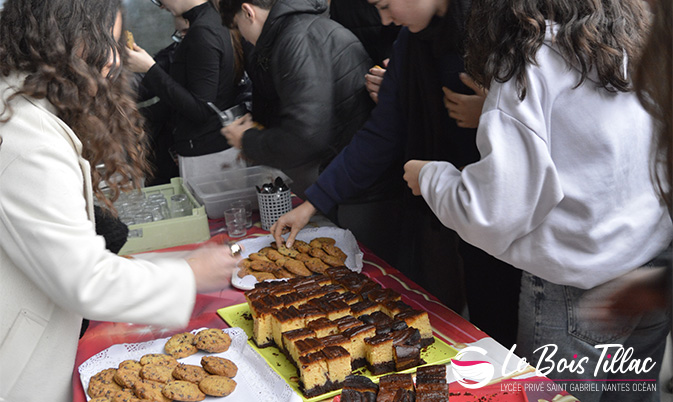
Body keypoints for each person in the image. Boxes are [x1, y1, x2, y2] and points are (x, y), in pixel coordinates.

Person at [402, 0, 672, 399]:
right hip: (648, 271)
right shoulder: (633, 36)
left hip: (577, 291)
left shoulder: (530, 59)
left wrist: (430, 177)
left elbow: (493, 211)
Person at [0, 1, 239, 400]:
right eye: (108, 42)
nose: (115, 61)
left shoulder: (21, 101)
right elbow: (84, 280)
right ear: (66, 39)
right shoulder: (28, 138)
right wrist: (190, 274)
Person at [270, 0, 523, 347]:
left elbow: (544, 116)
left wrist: (493, 110)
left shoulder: (497, 22)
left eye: (387, 5)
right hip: (456, 211)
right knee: (484, 317)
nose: (386, 19)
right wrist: (312, 203)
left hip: (516, 215)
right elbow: (382, 133)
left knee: (518, 330)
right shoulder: (410, 42)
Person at [218, 0, 373, 198]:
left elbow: (306, 136)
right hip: (347, 173)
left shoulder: (297, 37)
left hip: (355, 181)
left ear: (248, 12)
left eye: (238, 26)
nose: (244, 38)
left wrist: (246, 139)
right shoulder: (298, 29)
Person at [126, 0, 248, 172]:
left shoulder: (203, 30)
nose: (160, 5)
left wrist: (149, 69)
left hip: (208, 154)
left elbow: (201, 109)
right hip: (210, 148)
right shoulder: (211, 21)